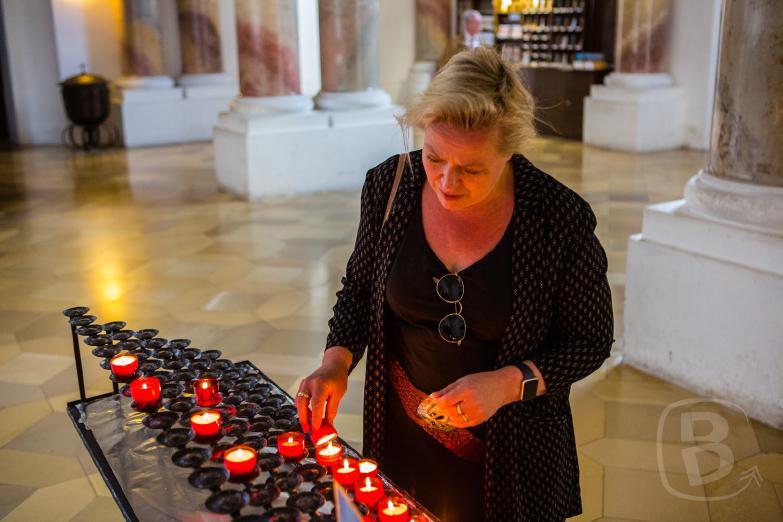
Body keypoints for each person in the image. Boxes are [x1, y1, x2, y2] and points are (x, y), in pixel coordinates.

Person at [296, 47, 615, 522]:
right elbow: (361, 289)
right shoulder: (389, 186)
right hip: (403, 433)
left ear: (508, 151)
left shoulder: (556, 218)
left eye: (471, 169)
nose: (447, 183)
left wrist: (507, 385)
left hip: (514, 448)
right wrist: (334, 363)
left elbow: (591, 342)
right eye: (434, 157)